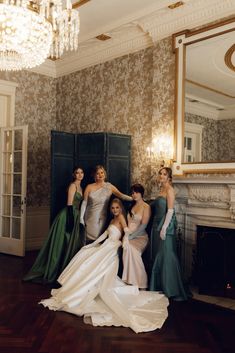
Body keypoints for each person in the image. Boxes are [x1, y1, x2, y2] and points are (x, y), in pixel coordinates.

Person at [39, 198, 169, 333]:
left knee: (95, 262)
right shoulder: (112, 220)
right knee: (86, 254)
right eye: (112, 208)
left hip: (113, 247)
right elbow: (105, 235)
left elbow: (126, 231)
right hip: (106, 245)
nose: (115, 210)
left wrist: (124, 241)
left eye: (117, 208)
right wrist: (93, 244)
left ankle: (85, 285)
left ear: (120, 208)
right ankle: (77, 285)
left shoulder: (121, 218)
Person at [23, 167, 84, 284]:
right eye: (77, 173)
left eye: (81, 173)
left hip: (76, 216)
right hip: (68, 216)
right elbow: (70, 204)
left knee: (69, 244)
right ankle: (54, 271)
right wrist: (70, 221)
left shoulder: (81, 187)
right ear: (73, 174)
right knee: (61, 243)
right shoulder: (73, 186)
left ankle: (65, 271)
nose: (80, 175)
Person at [150, 167, 188, 301]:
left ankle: (171, 289)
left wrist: (164, 228)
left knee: (167, 255)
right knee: (160, 255)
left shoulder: (170, 190)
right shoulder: (161, 189)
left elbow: (170, 211)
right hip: (157, 223)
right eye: (160, 173)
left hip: (166, 225)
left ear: (169, 177)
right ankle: (160, 286)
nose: (161, 175)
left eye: (164, 174)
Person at [80, 165, 132, 243]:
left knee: (98, 238)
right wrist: (81, 218)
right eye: (98, 173)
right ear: (94, 175)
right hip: (90, 216)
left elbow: (122, 196)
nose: (100, 175)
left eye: (102, 173)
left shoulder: (109, 187)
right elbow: (84, 203)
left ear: (105, 174)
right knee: (88, 238)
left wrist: (134, 199)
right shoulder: (89, 187)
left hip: (102, 217)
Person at [122, 183, 151, 289]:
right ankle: (130, 281)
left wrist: (131, 237)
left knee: (132, 250)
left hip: (141, 237)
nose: (134, 195)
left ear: (141, 193)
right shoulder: (131, 206)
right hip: (128, 235)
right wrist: (126, 236)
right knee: (126, 247)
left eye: (136, 192)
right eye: (132, 193)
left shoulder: (146, 207)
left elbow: (143, 226)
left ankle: (142, 283)